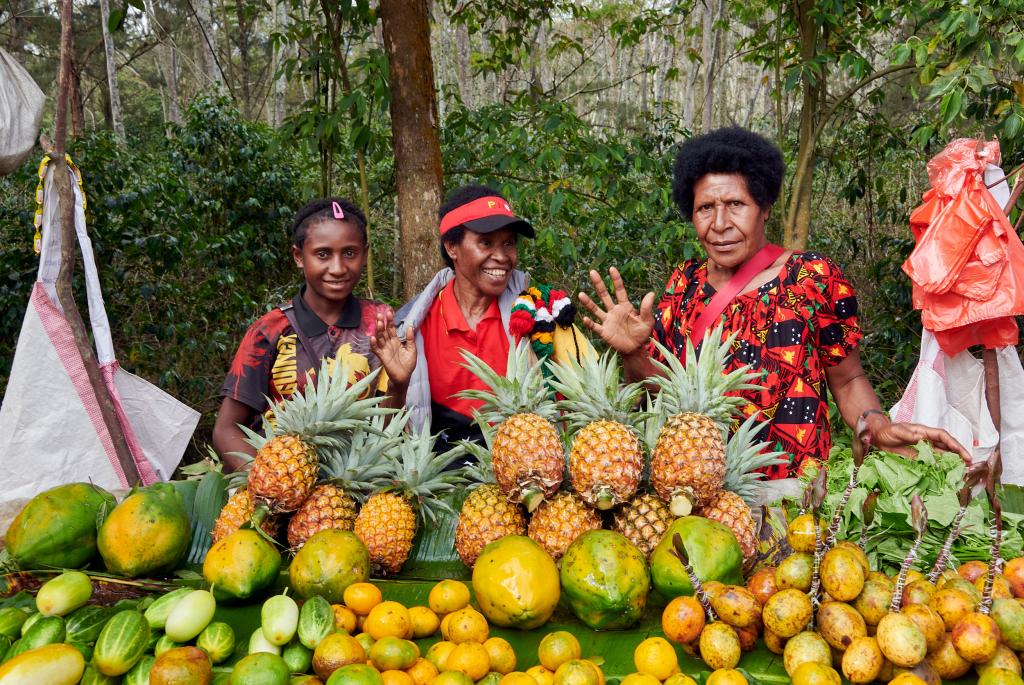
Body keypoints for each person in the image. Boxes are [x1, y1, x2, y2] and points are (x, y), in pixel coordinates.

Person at [579, 127, 971, 478]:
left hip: (794, 494)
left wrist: (874, 423)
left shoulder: (811, 277)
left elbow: (848, 378)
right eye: (705, 208)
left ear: (765, 207)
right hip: (701, 491)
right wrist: (633, 354)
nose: (719, 224)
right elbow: (658, 397)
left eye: (736, 205)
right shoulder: (684, 287)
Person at [213, 197, 416, 471]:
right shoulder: (270, 330)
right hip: (276, 481)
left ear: (365, 253)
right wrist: (269, 483)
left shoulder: (379, 324)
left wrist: (399, 384)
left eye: (349, 253)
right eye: (323, 254)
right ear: (299, 256)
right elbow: (226, 429)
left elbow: (386, 432)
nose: (338, 268)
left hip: (353, 485)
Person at [397, 184, 590, 448]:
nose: (501, 257)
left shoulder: (542, 314)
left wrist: (630, 354)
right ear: (452, 247)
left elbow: (590, 400)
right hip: (442, 478)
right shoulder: (412, 327)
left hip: (529, 473)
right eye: (485, 242)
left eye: (508, 243)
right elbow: (387, 429)